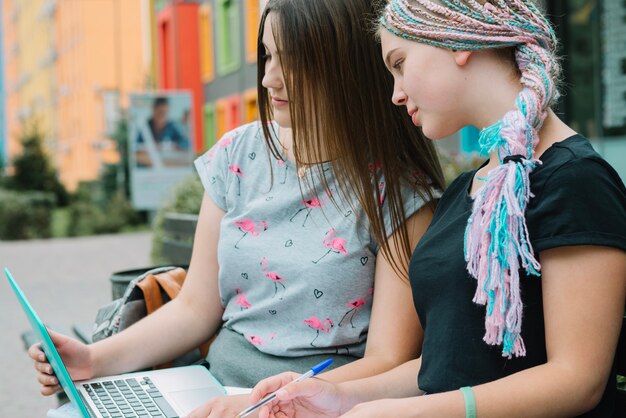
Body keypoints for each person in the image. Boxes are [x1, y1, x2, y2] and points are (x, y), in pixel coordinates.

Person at [28, 0, 444, 417]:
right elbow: (195, 308)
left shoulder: (397, 190)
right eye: (267, 55)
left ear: (344, 66)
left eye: (292, 60)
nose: (269, 79)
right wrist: (92, 359)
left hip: (311, 405)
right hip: (209, 389)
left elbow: (388, 360)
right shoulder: (237, 155)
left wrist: (264, 401)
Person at [249, 1, 626, 417]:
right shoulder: (465, 189)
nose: (395, 94)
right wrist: (340, 397)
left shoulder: (575, 179)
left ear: (456, 44)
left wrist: (414, 413)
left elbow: (577, 379)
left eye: (399, 63)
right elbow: (445, 367)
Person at [135, 96, 190, 168]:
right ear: (154, 110)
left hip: (168, 165)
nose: (162, 117)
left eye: (164, 113)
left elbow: (186, 144)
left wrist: (174, 146)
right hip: (148, 168)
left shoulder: (173, 127)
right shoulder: (145, 128)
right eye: (160, 113)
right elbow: (136, 148)